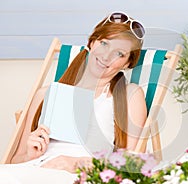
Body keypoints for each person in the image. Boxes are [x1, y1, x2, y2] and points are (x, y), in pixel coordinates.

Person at [8, 11, 147, 173]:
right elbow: (14, 161)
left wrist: (74, 163)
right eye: (104, 44)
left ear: (127, 63)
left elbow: (131, 164)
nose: (106, 56)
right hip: (33, 169)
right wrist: (29, 156)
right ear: (91, 43)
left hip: (81, 180)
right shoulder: (46, 94)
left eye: (119, 53)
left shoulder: (129, 95)